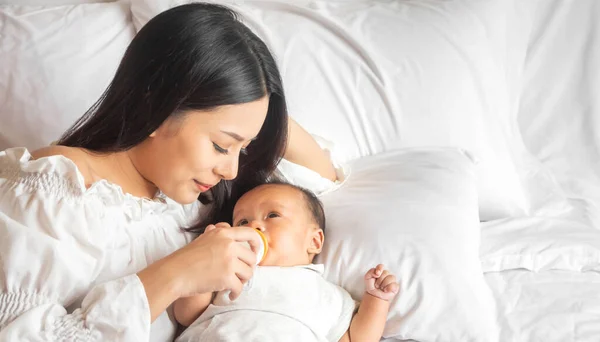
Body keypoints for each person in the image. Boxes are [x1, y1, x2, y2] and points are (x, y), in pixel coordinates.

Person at [0, 3, 342, 341]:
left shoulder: (194, 199)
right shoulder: (56, 190)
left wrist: (253, 91)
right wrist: (174, 275)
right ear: (154, 109)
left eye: (245, 148)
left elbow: (319, 179)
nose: (231, 169)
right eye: (222, 145)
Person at [174, 182, 399, 342]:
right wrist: (207, 255)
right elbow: (187, 315)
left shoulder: (327, 294)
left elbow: (356, 338)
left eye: (272, 215)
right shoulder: (227, 271)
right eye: (242, 221)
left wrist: (377, 299)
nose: (254, 226)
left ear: (314, 241)